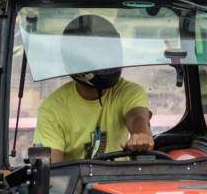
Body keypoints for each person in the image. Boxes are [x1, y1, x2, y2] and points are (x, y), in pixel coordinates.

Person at [33, 15, 153, 161]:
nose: (106, 60)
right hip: (77, 183)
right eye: (97, 55)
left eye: (109, 51)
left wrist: (141, 135)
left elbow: (137, 117)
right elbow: (53, 172)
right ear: (76, 60)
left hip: (120, 181)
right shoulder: (52, 109)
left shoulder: (127, 91)